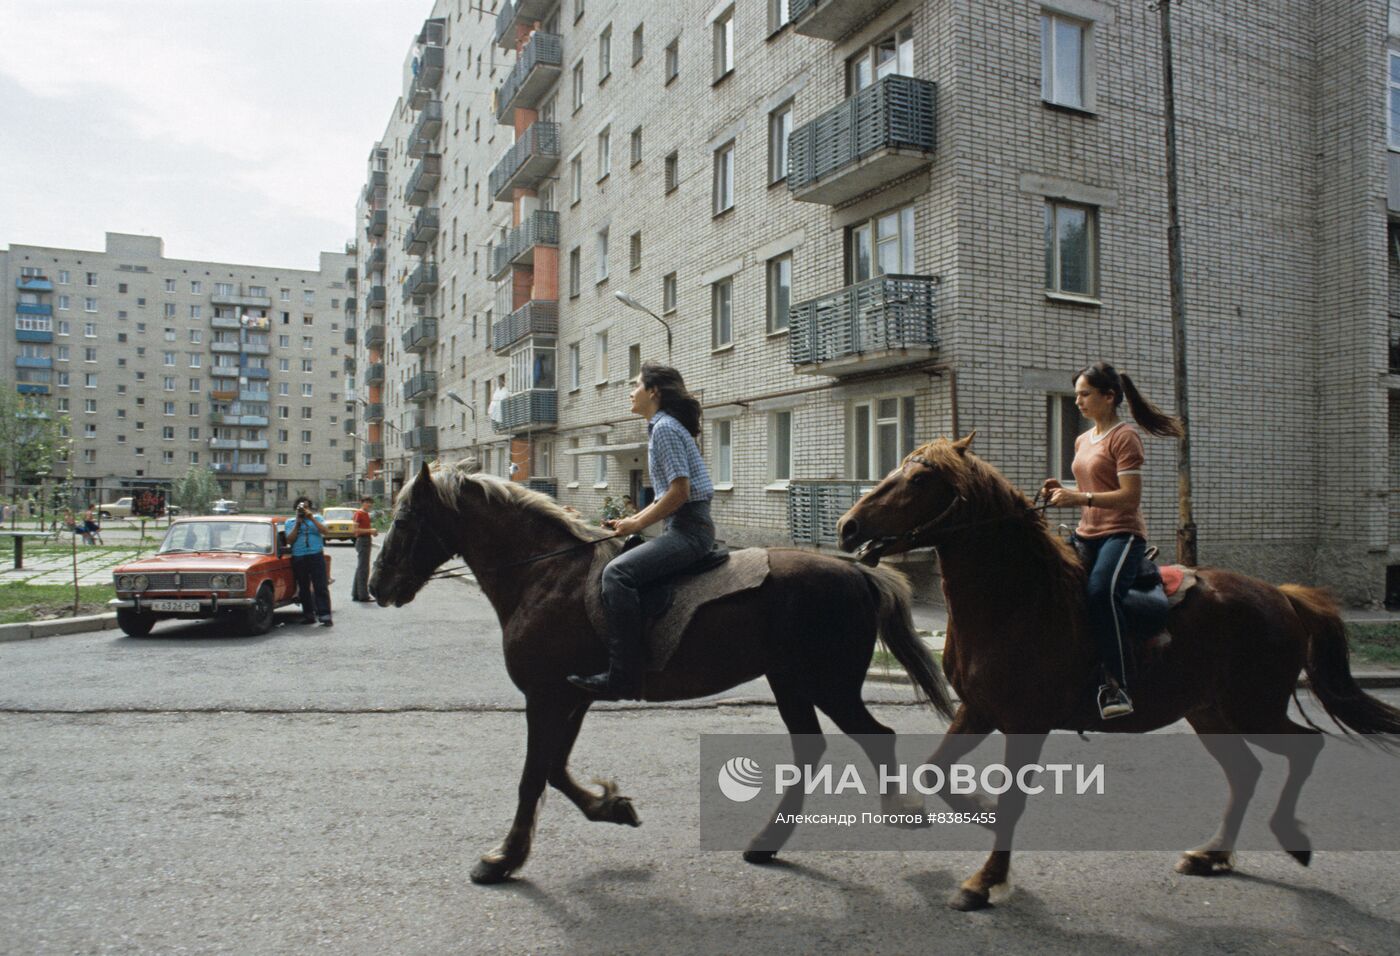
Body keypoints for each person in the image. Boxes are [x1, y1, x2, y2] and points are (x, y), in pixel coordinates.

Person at [1041, 362, 1184, 720]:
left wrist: (1079, 499)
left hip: (1121, 535)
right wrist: (1064, 491)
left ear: (1109, 396)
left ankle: (1116, 684)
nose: (1078, 402)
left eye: (1085, 394)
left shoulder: (1125, 437)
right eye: (1076, 395)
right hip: (1085, 533)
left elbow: (1128, 497)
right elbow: (1092, 488)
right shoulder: (1082, 438)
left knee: (1100, 593)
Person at [567, 362, 716, 700]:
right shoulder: (664, 426)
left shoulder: (664, 428)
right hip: (683, 525)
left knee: (617, 575)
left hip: (689, 531)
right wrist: (631, 522)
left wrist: (637, 523)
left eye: (635, 385)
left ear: (654, 392)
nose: (630, 392)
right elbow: (669, 496)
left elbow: (679, 492)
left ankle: (623, 676)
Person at [285, 496, 333, 626]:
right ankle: (308, 615)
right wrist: (297, 523)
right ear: (296, 510)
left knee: (320, 586)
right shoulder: (290, 522)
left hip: (315, 554)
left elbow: (325, 531)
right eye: (301, 508)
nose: (304, 510)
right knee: (303, 587)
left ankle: (325, 615)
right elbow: (289, 540)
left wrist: (311, 518)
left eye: (306, 507)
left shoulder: (317, 518)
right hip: (299, 556)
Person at [350, 495, 378, 603]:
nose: (369, 504)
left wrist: (371, 532)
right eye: (367, 502)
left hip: (366, 540)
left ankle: (356, 593)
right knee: (364, 569)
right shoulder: (359, 513)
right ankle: (363, 595)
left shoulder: (365, 514)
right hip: (362, 541)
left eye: (370, 502)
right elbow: (355, 530)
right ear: (362, 503)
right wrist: (370, 531)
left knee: (361, 568)